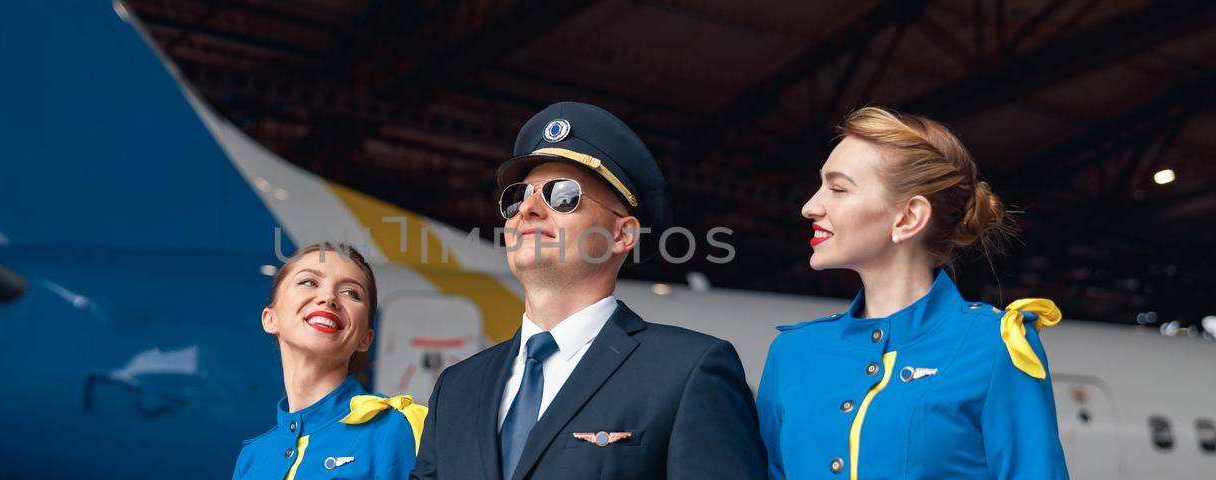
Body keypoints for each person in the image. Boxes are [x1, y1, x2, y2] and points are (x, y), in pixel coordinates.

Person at [412, 102, 768, 479]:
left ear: (622, 234)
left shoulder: (687, 372)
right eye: (518, 196)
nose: (528, 209)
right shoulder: (456, 389)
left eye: (562, 195)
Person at [757, 107, 1067, 479]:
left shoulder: (996, 346)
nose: (810, 206)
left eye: (837, 189)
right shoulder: (792, 352)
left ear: (907, 218)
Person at [232, 243, 425, 480]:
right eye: (309, 282)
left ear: (366, 339)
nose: (328, 297)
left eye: (351, 293)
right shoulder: (252, 458)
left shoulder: (397, 427)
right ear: (270, 319)